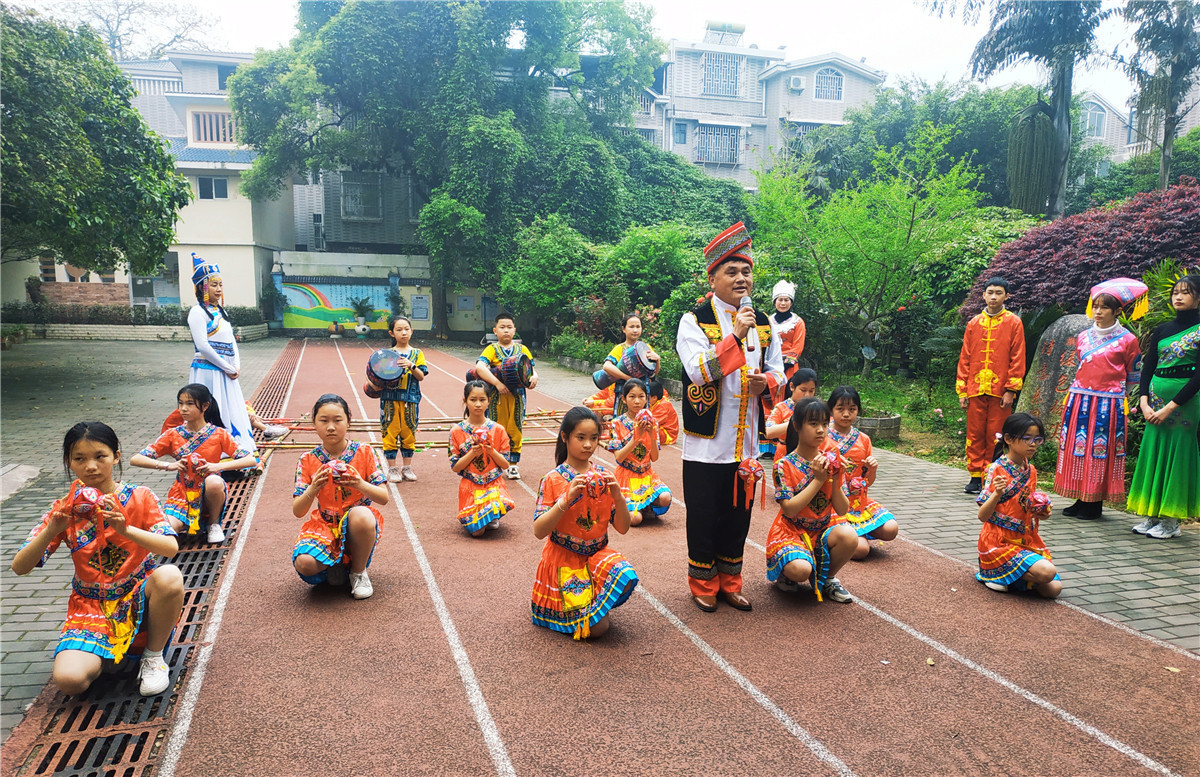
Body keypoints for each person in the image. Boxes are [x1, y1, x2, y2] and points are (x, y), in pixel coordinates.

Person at [11, 422, 184, 697]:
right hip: (89, 608)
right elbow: (19, 567)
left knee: (170, 576)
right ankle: (110, 655)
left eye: (99, 456)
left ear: (116, 456)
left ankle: (152, 657)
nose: (90, 466)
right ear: (69, 462)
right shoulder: (63, 509)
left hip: (138, 594)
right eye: (79, 459)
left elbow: (170, 547)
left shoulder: (140, 496)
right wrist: (51, 531)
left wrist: (125, 529)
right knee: (70, 681)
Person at [675, 221, 785, 613]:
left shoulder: (766, 324)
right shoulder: (694, 320)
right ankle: (702, 582)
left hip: (748, 446)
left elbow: (780, 372)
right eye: (732, 272)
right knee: (704, 516)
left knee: (737, 518)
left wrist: (767, 383)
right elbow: (697, 371)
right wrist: (735, 336)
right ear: (714, 277)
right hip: (706, 445)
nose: (742, 279)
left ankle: (731, 580)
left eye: (747, 271)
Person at [532, 407, 638, 640]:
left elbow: (622, 528)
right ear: (564, 437)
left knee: (625, 574)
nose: (588, 445)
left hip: (596, 557)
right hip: (564, 560)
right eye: (581, 438)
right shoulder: (552, 479)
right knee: (599, 629)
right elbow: (539, 531)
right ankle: (587, 602)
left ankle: (593, 599)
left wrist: (618, 496)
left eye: (593, 438)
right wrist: (565, 500)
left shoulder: (604, 476)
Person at [1054, 279, 1145, 520]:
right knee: (1078, 447)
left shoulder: (1128, 340)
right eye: (1095, 306)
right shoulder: (1084, 336)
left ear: (1117, 311)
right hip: (1080, 399)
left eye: (1104, 307)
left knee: (1099, 450)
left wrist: (1125, 400)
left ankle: (1094, 503)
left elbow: (1134, 374)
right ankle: (1080, 496)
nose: (1098, 312)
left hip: (1108, 404)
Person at [130, 384, 257, 543]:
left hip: (210, 490)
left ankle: (213, 523)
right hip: (181, 494)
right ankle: (184, 523)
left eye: (189, 404)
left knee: (214, 480)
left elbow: (250, 460)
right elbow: (135, 459)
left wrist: (217, 467)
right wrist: (168, 466)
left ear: (205, 406)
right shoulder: (172, 434)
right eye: (180, 403)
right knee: (166, 531)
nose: (183, 409)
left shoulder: (218, 434)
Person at [292, 394, 388, 599]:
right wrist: (312, 489)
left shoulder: (364, 452)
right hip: (325, 524)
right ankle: (334, 567)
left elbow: (383, 497)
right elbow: (298, 511)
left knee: (361, 514)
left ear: (348, 421)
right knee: (305, 563)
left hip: (356, 524)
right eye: (324, 421)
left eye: (337, 420)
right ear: (314, 423)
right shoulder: (307, 460)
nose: (331, 427)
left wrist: (359, 484)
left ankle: (358, 572)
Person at [1128, 273, 1200, 539]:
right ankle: (1152, 515)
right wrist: (1144, 401)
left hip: (1185, 403)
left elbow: (1199, 376)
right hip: (1154, 400)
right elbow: (1148, 367)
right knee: (1154, 452)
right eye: (1175, 293)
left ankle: (1171, 521)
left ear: (1198, 297)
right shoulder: (1162, 330)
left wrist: (1171, 406)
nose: (1178, 297)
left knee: (1177, 454)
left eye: (1186, 292)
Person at [765, 398, 858, 602]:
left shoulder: (830, 459)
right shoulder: (784, 465)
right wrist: (818, 480)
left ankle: (827, 579)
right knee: (800, 571)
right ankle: (788, 571)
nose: (821, 430)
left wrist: (834, 478)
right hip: (792, 530)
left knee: (850, 536)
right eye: (813, 424)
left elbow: (842, 510)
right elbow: (789, 510)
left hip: (822, 528)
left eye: (825, 424)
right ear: (797, 426)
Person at [975, 413, 1061, 598]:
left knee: (1053, 590)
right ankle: (993, 571)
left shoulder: (1031, 471)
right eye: (1027, 439)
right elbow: (982, 515)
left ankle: (1008, 576)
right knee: (1047, 573)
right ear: (1008, 439)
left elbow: (1027, 505)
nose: (1033, 444)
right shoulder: (994, 469)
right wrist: (997, 494)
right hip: (998, 541)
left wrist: (1041, 512)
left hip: (1025, 538)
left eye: (1037, 439)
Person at [186, 253, 258, 462]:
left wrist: (235, 365)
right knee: (213, 412)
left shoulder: (220, 312)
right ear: (202, 287)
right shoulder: (197, 313)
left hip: (227, 372)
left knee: (232, 411)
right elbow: (203, 346)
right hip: (208, 373)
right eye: (214, 285)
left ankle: (238, 453)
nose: (219, 289)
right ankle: (214, 456)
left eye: (220, 284)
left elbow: (232, 342)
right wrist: (227, 367)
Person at [957, 276, 1026, 494]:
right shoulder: (973, 323)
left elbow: (1018, 356)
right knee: (975, 432)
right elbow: (965, 357)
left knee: (997, 434)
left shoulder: (1014, 322)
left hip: (1000, 391)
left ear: (1007, 296)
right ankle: (975, 476)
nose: (993, 296)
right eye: (990, 292)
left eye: (998, 292)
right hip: (975, 388)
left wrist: (1011, 390)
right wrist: (962, 389)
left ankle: (992, 475)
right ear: (984, 295)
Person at [827, 385, 899, 559]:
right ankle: (842, 537)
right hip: (830, 503)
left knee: (891, 529)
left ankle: (855, 532)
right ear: (830, 410)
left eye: (852, 409)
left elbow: (867, 482)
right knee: (861, 551)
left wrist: (872, 469)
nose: (846, 414)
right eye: (840, 409)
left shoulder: (863, 439)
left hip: (856, 502)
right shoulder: (822, 435)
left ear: (858, 410)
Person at [475, 313, 539, 481]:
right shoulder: (491, 349)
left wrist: (534, 378)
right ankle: (494, 464)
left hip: (517, 396)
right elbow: (480, 368)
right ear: (495, 330)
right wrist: (497, 383)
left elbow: (531, 369)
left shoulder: (522, 349)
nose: (506, 331)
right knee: (496, 428)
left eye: (509, 327)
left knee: (515, 429)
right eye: (502, 327)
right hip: (497, 396)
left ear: (515, 330)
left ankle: (512, 466)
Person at [449, 381, 515, 537]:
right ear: (465, 401)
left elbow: (505, 464)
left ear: (488, 401)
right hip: (471, 485)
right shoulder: (456, 431)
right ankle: (483, 515)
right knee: (477, 532)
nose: (478, 404)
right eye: (473, 399)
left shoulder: (498, 430)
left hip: (493, 484)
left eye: (482, 400)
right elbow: (455, 467)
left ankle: (491, 513)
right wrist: (472, 453)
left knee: (491, 515)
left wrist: (491, 451)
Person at [606, 379, 672, 525]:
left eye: (641, 396)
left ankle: (644, 505)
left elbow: (654, 458)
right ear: (623, 399)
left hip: (646, 475)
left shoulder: (652, 421)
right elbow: (619, 458)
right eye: (632, 396)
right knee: (635, 520)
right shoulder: (617, 423)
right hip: (626, 476)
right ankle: (625, 509)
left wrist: (651, 435)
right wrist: (636, 437)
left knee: (665, 497)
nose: (637, 401)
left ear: (646, 398)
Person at [374, 315, 428, 483]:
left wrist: (411, 365)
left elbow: (421, 376)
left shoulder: (417, 353)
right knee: (389, 432)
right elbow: (376, 376)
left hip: (410, 400)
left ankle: (407, 467)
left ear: (411, 331)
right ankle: (392, 468)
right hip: (389, 398)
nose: (403, 333)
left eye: (406, 329)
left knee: (409, 433)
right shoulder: (386, 354)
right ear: (392, 333)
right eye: (399, 330)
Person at [602, 314, 660, 416]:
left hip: (642, 393)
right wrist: (627, 378)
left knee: (642, 422)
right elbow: (606, 366)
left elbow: (654, 373)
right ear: (624, 329)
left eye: (638, 327)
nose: (635, 330)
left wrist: (657, 360)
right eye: (631, 327)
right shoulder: (620, 348)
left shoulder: (646, 347)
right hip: (624, 393)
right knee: (621, 423)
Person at [764, 369, 819, 464]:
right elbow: (768, 432)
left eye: (811, 391)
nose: (807, 395)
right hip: (784, 453)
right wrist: (796, 422)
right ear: (792, 387)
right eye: (803, 390)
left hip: (810, 454)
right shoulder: (781, 408)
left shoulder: (817, 409)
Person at [770, 280, 806, 379]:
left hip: (789, 366)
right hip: (771, 365)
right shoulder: (768, 321)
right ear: (774, 302)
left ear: (791, 302)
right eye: (780, 299)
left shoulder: (797, 322)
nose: (783, 303)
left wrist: (785, 365)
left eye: (786, 300)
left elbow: (798, 345)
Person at [647, 379, 679, 446]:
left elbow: (652, 422)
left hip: (667, 435)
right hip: (662, 429)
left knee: (646, 429)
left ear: (654, 397)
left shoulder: (662, 406)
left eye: (647, 397)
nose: (645, 399)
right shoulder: (658, 400)